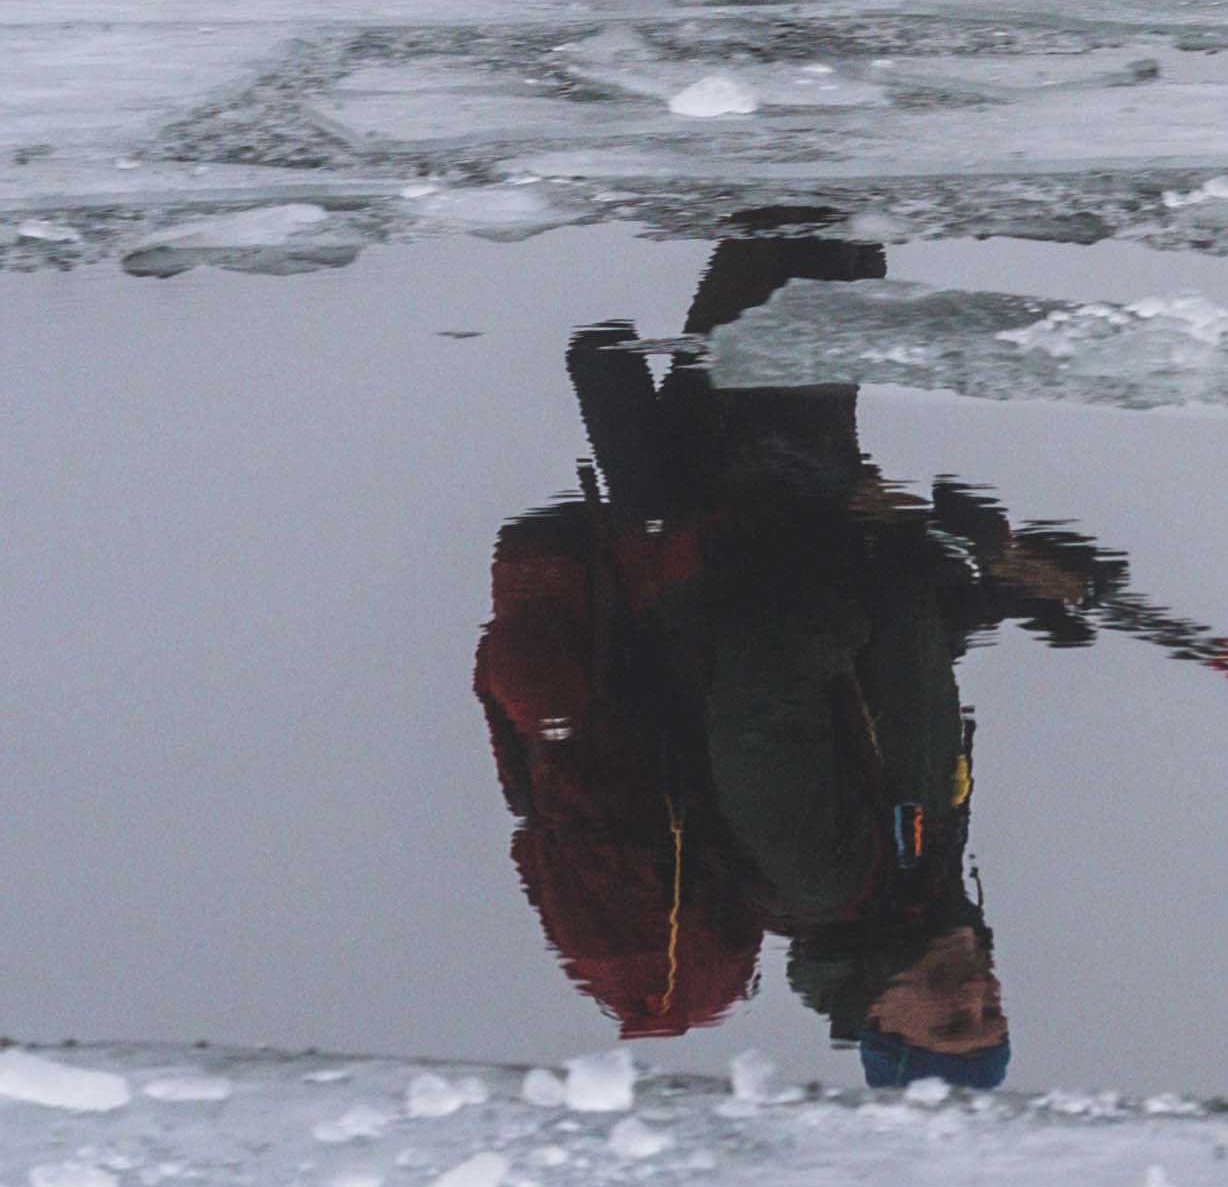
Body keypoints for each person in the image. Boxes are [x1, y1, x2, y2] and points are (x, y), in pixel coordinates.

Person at [474, 229, 1116, 1082]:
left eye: (951, 1024)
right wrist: (996, 595)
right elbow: (878, 685)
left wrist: (902, 551)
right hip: (784, 508)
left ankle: (740, 112)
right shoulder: (914, 876)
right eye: (992, 1016)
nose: (978, 996)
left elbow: (768, 672)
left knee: (806, 244)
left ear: (880, 1020)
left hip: (736, 523)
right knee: (832, 253)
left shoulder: (821, 883)